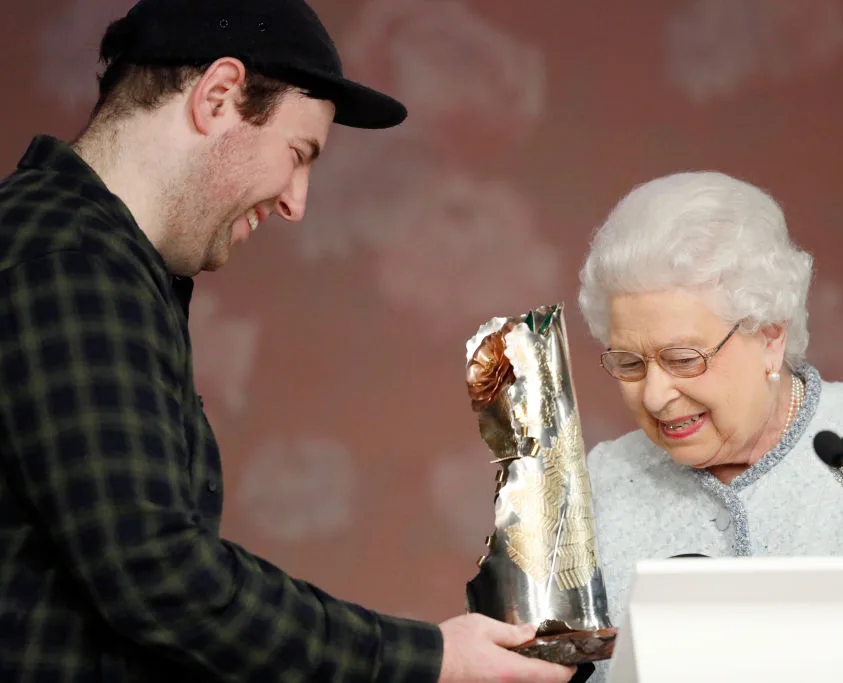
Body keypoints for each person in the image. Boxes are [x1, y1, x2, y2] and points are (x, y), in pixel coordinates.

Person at [0, 1, 576, 682]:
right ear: (216, 97)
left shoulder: (91, 260)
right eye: (297, 154)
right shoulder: (70, 258)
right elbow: (155, 573)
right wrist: (431, 659)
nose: (296, 202)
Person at [574, 171, 843, 682]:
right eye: (629, 364)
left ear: (771, 337)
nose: (654, 394)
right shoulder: (601, 482)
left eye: (683, 359)